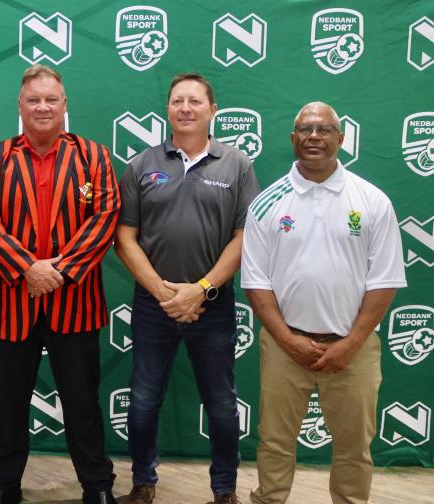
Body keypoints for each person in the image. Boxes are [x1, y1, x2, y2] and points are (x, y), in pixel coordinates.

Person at [0, 64, 120, 504]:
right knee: (9, 407)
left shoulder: (94, 156)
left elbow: (106, 216)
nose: (43, 107)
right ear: (20, 106)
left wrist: (60, 271)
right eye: (34, 99)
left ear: (64, 105)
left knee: (83, 406)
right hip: (11, 306)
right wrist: (27, 269)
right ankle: (2, 487)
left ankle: (97, 487)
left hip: (76, 304)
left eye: (51, 99)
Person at [241, 102, 407, 504]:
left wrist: (350, 343)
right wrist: (286, 338)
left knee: (354, 447)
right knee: (275, 441)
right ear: (293, 137)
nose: (314, 136)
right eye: (305, 129)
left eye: (324, 129)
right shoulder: (266, 203)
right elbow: (255, 283)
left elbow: (384, 281)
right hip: (284, 346)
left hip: (354, 347)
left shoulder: (372, 201)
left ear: (341, 138)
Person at [115, 73, 260, 504]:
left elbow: (244, 236)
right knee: (142, 402)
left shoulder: (237, 164)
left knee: (221, 405)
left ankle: (224, 490)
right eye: (177, 100)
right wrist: (164, 293)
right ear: (168, 108)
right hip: (152, 304)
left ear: (212, 110)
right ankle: (143, 483)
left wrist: (199, 289)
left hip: (211, 306)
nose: (185, 108)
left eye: (195, 101)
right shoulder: (142, 165)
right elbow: (125, 237)